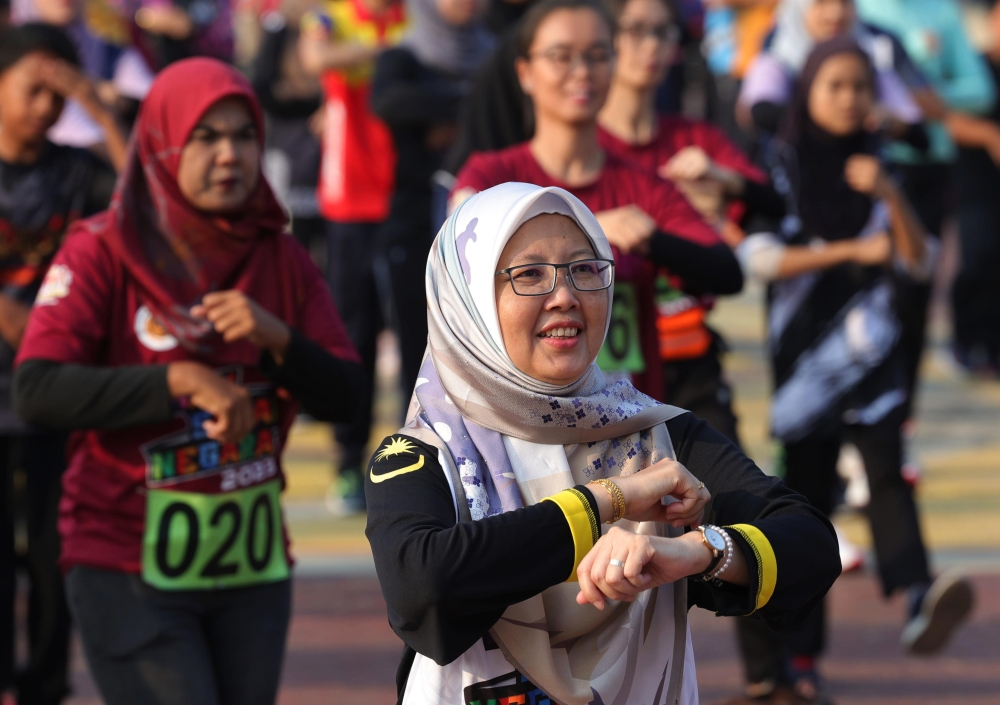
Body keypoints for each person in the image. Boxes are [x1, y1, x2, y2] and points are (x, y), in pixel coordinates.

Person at [365, 181, 841, 705]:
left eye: (584, 270)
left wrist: (699, 551)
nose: (565, 296)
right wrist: (609, 501)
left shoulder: (654, 432)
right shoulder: (425, 451)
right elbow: (422, 588)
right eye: (529, 275)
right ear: (469, 302)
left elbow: (812, 545)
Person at [11, 58, 362, 705]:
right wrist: (176, 378)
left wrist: (278, 340)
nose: (230, 154)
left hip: (251, 569)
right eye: (206, 136)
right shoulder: (101, 251)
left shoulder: (279, 255)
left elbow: (348, 396)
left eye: (244, 135)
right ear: (163, 142)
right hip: (125, 561)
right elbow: (39, 387)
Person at [734, 38, 973, 703]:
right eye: (835, 85)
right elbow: (756, 260)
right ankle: (801, 658)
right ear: (807, 92)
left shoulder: (881, 164)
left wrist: (890, 193)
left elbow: (920, 260)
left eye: (861, 87)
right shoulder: (780, 166)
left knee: (888, 470)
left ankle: (921, 593)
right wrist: (845, 249)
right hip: (806, 363)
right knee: (807, 506)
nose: (850, 98)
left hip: (872, 353)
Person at [452, 0, 744, 402]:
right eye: (561, 56)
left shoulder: (644, 188)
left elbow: (727, 273)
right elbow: (453, 269)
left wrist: (651, 241)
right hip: (522, 423)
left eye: (597, 55)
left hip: (628, 422)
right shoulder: (490, 176)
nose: (582, 72)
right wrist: (590, 230)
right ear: (525, 72)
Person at [596, 0, 783, 445]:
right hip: (607, 373)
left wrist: (721, 179)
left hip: (690, 357)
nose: (652, 46)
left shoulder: (694, 139)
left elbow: (775, 204)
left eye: (665, 33)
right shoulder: (583, 149)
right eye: (637, 30)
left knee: (738, 503)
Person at [0, 23, 116, 705]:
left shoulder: (75, 171)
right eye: (31, 89)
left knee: (52, 559)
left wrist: (97, 110)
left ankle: (45, 686)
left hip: (54, 395)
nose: (45, 107)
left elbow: (148, 205)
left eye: (57, 94)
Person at [299, 0, 407, 513]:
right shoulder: (333, 16)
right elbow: (315, 56)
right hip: (348, 202)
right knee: (353, 337)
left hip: (405, 197)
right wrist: (387, 52)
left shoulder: (417, 16)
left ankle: (424, 462)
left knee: (418, 336)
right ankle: (348, 463)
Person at [370, 0, 493, 389]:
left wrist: (444, 118)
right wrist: (472, 110)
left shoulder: (496, 54)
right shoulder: (403, 56)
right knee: (417, 339)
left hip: (485, 222)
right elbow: (389, 103)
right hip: (414, 222)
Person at [739, 0, 930, 146]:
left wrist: (887, 122)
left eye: (844, 2)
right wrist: (839, 118)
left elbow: (918, 133)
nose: (835, 14)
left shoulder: (872, 52)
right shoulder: (779, 54)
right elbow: (759, 112)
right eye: (822, 3)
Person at [10, 0, 134, 171]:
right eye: (34, 90)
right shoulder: (13, 52)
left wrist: (105, 115)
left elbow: (133, 185)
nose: (45, 107)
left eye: (59, 97)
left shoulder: (110, 49)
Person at [951, 0, 1000, 372]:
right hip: (974, 183)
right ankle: (965, 342)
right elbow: (944, 116)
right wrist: (987, 135)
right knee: (977, 258)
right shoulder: (973, 66)